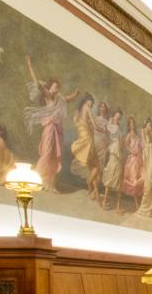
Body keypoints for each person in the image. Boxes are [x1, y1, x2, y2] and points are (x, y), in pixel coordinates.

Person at [23, 56, 77, 191]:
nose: (57, 90)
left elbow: (67, 99)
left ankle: (50, 184)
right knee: (47, 153)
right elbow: (37, 85)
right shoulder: (47, 95)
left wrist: (75, 95)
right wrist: (30, 66)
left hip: (57, 129)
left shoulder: (58, 98)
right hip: (49, 129)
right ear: (50, 86)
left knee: (54, 156)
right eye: (55, 87)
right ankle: (35, 179)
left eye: (58, 88)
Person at [71, 94, 101, 199]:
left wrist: (86, 125)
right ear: (87, 100)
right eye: (91, 101)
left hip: (83, 136)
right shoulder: (87, 107)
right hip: (87, 139)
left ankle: (92, 189)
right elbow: (94, 124)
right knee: (95, 166)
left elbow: (76, 122)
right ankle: (89, 183)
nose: (92, 104)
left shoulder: (78, 111)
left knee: (94, 166)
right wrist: (102, 130)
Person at [119, 116, 144, 212]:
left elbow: (140, 147)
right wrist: (132, 151)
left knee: (140, 178)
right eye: (130, 123)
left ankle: (140, 203)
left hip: (139, 159)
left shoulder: (137, 135)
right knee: (133, 180)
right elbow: (125, 145)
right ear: (129, 125)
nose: (132, 125)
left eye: (133, 123)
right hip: (132, 160)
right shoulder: (129, 135)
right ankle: (137, 205)